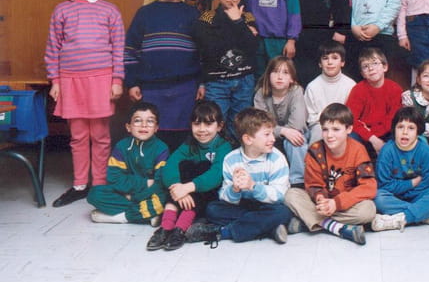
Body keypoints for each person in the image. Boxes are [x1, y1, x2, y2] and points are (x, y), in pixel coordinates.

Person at [45, 0, 125, 207]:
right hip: (71, 81)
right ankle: (80, 184)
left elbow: (119, 49)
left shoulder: (110, 11)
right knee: (78, 135)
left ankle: (99, 183)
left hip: (101, 80)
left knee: (100, 135)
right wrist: (55, 81)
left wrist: (117, 80)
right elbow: (53, 48)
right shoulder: (62, 10)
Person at [125, 0, 202, 151]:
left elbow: (203, 53)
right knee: (151, 133)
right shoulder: (144, 13)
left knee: (183, 135)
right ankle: (154, 167)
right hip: (152, 87)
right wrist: (132, 82)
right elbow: (130, 50)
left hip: (185, 87)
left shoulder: (192, 13)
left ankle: (177, 168)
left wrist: (202, 83)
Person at [187, 108, 293, 245]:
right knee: (212, 209)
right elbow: (224, 195)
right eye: (267, 134)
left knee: (283, 212)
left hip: (268, 205)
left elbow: (279, 195)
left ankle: (223, 232)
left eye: (272, 133)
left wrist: (253, 186)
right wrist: (234, 189)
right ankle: (269, 228)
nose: (273, 138)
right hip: (242, 206)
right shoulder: (231, 159)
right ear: (248, 139)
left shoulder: (277, 158)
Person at [284, 103, 377, 245]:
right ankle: (337, 228)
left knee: (368, 210)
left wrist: (336, 203)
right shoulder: (315, 150)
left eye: (336, 129)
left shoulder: (358, 150)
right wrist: (321, 199)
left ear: (349, 129)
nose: (329, 135)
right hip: (322, 203)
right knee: (291, 195)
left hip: (345, 203)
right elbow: (313, 184)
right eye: (325, 130)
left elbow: (369, 186)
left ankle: (307, 222)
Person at [146, 101, 232, 251]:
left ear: (219, 126)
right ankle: (166, 227)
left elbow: (216, 175)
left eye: (208, 124)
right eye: (197, 124)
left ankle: (179, 229)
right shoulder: (189, 144)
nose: (202, 129)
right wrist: (178, 189)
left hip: (209, 193)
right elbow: (170, 166)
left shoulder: (223, 147)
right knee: (184, 166)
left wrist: (187, 188)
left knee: (204, 167)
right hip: (185, 191)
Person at [193, 0, 259, 142]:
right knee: (215, 124)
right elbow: (211, 50)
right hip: (217, 82)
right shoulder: (207, 18)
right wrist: (240, 31)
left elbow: (252, 47)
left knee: (240, 127)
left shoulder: (247, 17)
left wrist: (238, 21)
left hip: (244, 80)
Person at [86, 102, 169, 224]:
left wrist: (135, 197)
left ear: (156, 128)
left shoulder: (161, 149)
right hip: (127, 193)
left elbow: (159, 183)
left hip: (150, 194)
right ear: (128, 127)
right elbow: (114, 178)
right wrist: (145, 183)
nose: (144, 125)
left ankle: (120, 218)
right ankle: (145, 215)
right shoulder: (121, 147)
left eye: (150, 121)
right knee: (95, 194)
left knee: (163, 199)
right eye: (138, 121)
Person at [371, 107, 429, 231]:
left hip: (418, 194)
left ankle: (401, 218)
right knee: (378, 197)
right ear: (394, 129)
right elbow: (384, 185)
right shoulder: (387, 151)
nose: (405, 132)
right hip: (394, 196)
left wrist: (409, 191)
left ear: (418, 131)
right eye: (400, 127)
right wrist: (411, 183)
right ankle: (425, 215)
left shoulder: (426, 151)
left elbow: (427, 183)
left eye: (411, 128)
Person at [253, 56, 308, 187]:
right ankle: (263, 180)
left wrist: (285, 132)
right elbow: (260, 124)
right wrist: (282, 131)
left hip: (295, 134)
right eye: (275, 72)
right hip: (269, 135)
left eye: (285, 73)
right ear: (268, 75)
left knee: (296, 141)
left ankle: (298, 182)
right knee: (257, 139)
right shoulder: (261, 94)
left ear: (292, 79)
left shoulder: (296, 91)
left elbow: (297, 124)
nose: (279, 77)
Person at [345, 47, 403, 161]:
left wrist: (374, 134)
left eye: (375, 63)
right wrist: (372, 138)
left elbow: (393, 119)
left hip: (387, 133)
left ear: (385, 67)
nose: (371, 68)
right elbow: (350, 119)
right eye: (365, 66)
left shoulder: (395, 89)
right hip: (363, 135)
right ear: (362, 74)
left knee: (399, 133)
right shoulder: (358, 90)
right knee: (349, 136)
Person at [304, 40, 356, 143]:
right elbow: (310, 117)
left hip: (343, 125)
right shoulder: (312, 87)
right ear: (320, 63)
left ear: (342, 62)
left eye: (335, 58)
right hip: (320, 125)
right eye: (325, 58)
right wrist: (327, 123)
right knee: (318, 132)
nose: (330, 62)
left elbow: (352, 115)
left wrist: (337, 124)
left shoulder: (351, 85)